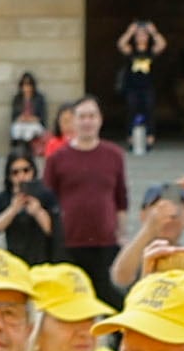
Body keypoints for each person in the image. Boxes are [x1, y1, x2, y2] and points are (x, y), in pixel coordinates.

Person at [41, 98, 131, 289]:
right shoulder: (57, 159)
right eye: (82, 117)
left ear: (100, 120)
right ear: (73, 121)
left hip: (105, 240)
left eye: (92, 116)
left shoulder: (114, 155)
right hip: (69, 240)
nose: (87, 122)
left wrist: (122, 235)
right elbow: (47, 199)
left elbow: (121, 198)